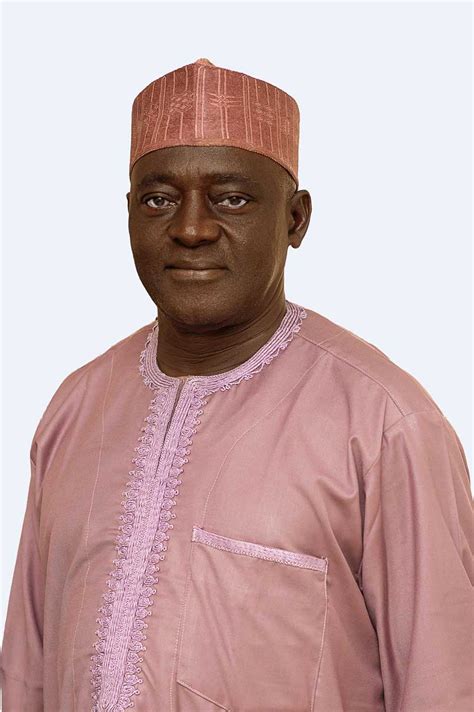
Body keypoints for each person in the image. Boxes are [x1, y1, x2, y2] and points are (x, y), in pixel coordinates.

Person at [1, 57, 472, 712]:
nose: (191, 229)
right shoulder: (77, 409)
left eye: (232, 199)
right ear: (129, 213)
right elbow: (26, 673)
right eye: (159, 199)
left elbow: (443, 688)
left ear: (296, 219)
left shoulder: (385, 424)